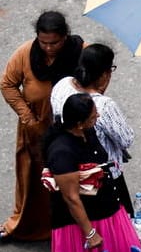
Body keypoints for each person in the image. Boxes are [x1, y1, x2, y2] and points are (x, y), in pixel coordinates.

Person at [44, 95, 137, 252]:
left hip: (107, 210)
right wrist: (90, 233)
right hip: (83, 222)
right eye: (93, 116)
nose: (98, 116)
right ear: (78, 123)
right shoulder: (61, 152)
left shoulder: (87, 131)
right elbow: (71, 198)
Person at [2, 12, 81, 242]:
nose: (48, 48)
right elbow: (7, 84)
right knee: (32, 179)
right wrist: (29, 118)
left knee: (71, 179)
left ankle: (71, 228)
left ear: (65, 37)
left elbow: (97, 79)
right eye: (43, 42)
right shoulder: (26, 53)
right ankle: (26, 226)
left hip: (70, 132)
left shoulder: (79, 52)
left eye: (54, 42)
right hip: (36, 130)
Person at [50, 43, 133, 206]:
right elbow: (126, 139)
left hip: (72, 170)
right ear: (104, 75)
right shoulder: (103, 105)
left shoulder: (62, 85)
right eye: (110, 70)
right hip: (103, 175)